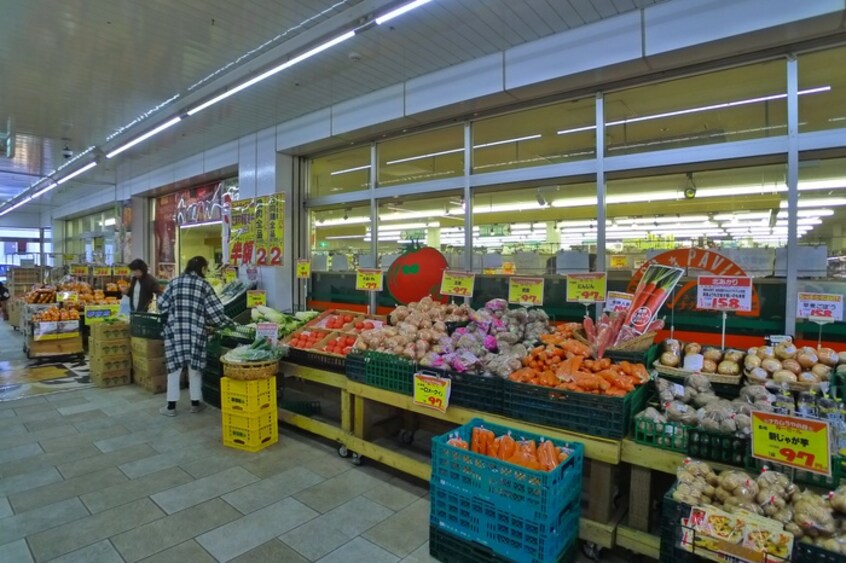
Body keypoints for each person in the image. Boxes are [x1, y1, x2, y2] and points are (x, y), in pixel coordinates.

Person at [157, 256, 231, 416]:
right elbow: (215, 312)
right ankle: (195, 404)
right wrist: (224, 323)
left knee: (174, 369)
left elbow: (161, 305)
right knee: (195, 368)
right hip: (195, 332)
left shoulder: (174, 282)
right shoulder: (203, 285)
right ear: (203, 269)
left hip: (175, 332)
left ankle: (170, 407)